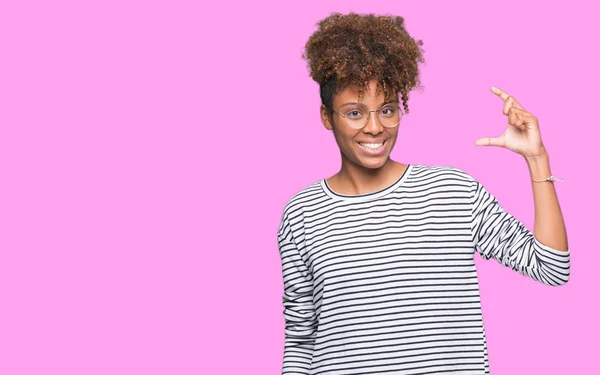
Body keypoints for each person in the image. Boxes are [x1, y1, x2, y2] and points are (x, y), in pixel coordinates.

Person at [276, 12, 570, 375]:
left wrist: (537, 158)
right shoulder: (302, 213)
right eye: (354, 112)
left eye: (387, 110)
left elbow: (551, 266)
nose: (374, 127)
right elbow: (301, 340)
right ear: (326, 116)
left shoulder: (452, 192)